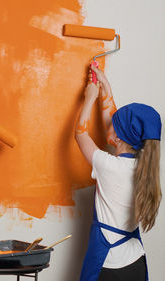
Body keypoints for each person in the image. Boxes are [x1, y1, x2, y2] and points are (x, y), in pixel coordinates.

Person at [75, 64, 162, 281]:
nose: (109, 125)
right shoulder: (144, 165)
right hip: (135, 261)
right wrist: (106, 87)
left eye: (114, 125)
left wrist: (89, 98)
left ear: (119, 139)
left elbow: (80, 134)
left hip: (109, 264)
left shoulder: (109, 166)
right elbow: (112, 128)